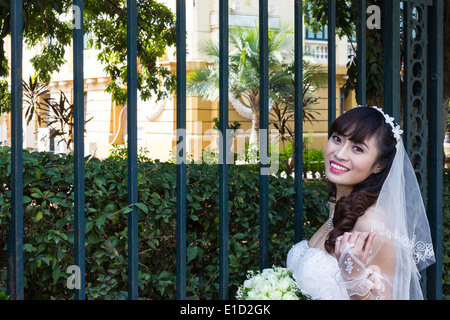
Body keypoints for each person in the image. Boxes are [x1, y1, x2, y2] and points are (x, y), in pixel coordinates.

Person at [286, 105, 435, 300]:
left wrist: (353, 277)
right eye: (337, 139)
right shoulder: (338, 205)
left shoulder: (372, 223)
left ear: (378, 165)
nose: (339, 154)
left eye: (358, 148)